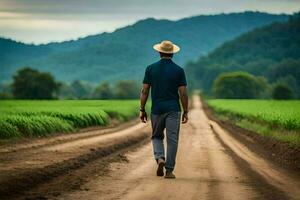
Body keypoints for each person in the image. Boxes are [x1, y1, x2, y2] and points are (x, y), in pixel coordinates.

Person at [139, 40, 189, 179]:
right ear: (172, 53)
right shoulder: (179, 70)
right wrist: (186, 111)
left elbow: (144, 91)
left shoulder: (150, 68)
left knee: (156, 136)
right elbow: (183, 93)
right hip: (174, 109)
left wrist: (142, 109)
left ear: (159, 52)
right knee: (172, 140)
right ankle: (169, 170)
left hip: (157, 109)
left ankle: (160, 158)